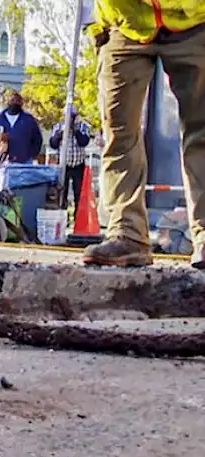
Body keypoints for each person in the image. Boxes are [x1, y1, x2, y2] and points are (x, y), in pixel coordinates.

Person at [81, 1, 205, 269]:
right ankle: (127, 234)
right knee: (119, 135)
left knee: (202, 131)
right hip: (124, 21)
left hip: (195, 20)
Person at [0, 92, 44, 167]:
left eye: (17, 101)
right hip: (2, 162)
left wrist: (31, 155)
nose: (15, 102)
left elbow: (38, 139)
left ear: (21, 103)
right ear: (8, 102)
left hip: (24, 163)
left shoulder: (29, 120)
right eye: (12, 100)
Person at [49, 105, 93, 208]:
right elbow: (53, 144)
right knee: (62, 193)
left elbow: (84, 142)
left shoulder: (83, 127)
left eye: (72, 116)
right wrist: (61, 134)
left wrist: (76, 130)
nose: (70, 119)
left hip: (78, 165)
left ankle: (78, 216)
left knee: (79, 193)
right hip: (64, 166)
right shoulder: (59, 126)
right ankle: (63, 215)